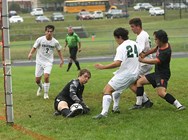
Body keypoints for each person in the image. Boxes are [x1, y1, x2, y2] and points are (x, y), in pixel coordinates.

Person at [131, 29, 185, 111]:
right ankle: (139, 104)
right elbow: (155, 49)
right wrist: (145, 54)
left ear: (161, 40)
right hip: (157, 73)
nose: (155, 41)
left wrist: (143, 60)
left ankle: (179, 105)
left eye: (156, 39)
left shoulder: (166, 51)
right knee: (139, 82)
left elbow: (156, 61)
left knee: (161, 93)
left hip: (163, 75)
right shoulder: (161, 45)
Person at [93, 27, 141, 119]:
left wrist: (103, 67)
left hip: (126, 73)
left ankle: (104, 113)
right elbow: (141, 55)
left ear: (119, 37)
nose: (116, 41)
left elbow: (117, 63)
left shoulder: (121, 47)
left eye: (116, 38)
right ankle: (115, 107)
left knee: (107, 90)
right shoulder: (135, 44)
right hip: (134, 73)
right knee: (117, 88)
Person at [112, 18, 153, 112]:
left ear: (138, 26)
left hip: (144, 63)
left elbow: (140, 51)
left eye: (133, 26)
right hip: (145, 62)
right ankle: (144, 101)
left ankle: (144, 101)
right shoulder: (143, 34)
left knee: (129, 80)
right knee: (135, 82)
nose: (131, 29)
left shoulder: (141, 36)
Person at [28, 25, 64, 99]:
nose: (49, 33)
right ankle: (41, 87)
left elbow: (59, 50)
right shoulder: (40, 39)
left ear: (53, 32)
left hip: (48, 62)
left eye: (51, 31)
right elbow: (34, 47)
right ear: (45, 32)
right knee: (37, 80)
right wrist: (30, 53)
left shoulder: (55, 42)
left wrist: (62, 60)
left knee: (46, 76)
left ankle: (46, 94)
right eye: (48, 31)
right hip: (39, 61)